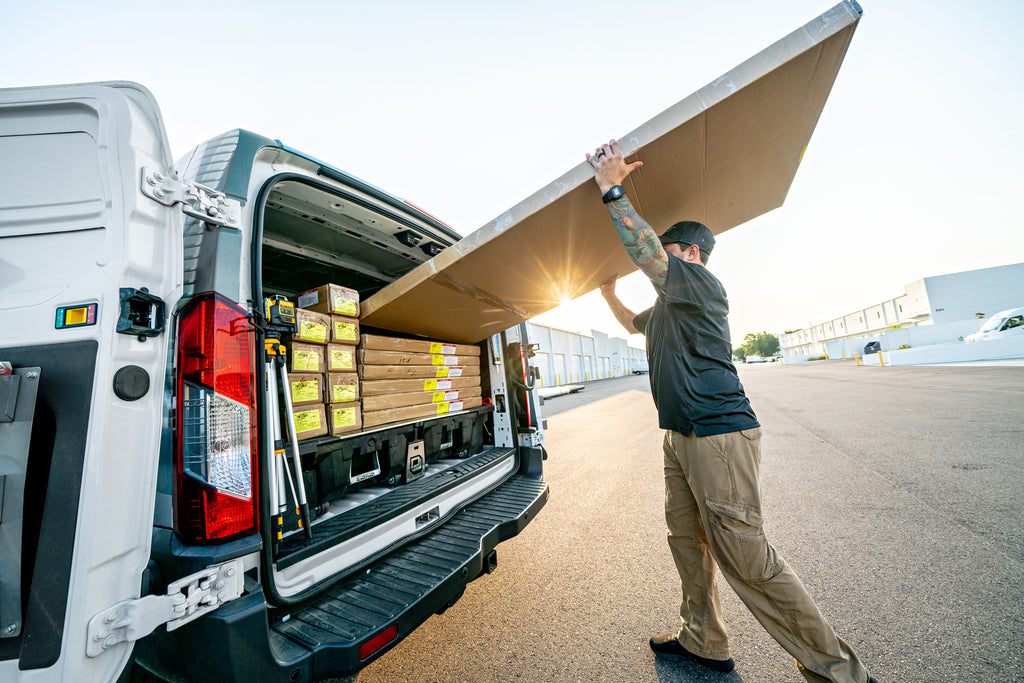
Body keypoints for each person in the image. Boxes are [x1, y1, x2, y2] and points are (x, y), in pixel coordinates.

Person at [586, 139, 876, 683]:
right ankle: (704, 642)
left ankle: (840, 674)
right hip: (679, 435)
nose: (661, 258)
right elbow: (632, 324)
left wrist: (612, 187)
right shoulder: (669, 305)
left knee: (749, 560)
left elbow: (645, 250)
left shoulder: (698, 285)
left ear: (690, 253)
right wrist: (605, 291)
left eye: (669, 249)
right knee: (687, 542)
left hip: (719, 436)